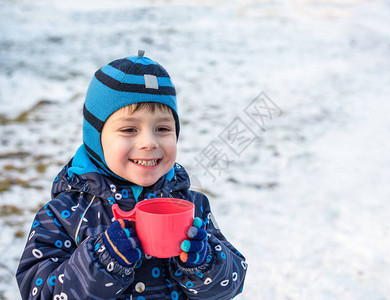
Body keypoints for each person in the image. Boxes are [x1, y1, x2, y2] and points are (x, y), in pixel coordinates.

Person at [16, 50, 247, 299]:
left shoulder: (191, 206)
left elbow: (232, 282)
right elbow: (36, 291)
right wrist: (101, 262)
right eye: (129, 129)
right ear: (96, 138)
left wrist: (206, 263)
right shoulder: (64, 214)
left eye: (162, 128)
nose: (149, 142)